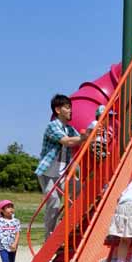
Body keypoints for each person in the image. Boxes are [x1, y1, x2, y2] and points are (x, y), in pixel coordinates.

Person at [34, 94, 86, 238]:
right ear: (58, 110)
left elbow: (80, 140)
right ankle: (49, 239)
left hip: (62, 173)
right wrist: (84, 137)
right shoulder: (52, 126)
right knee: (54, 202)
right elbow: (68, 141)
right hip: (48, 173)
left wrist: (91, 136)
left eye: (71, 108)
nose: (71, 111)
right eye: (67, 107)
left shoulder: (69, 128)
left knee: (79, 191)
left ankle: (65, 222)